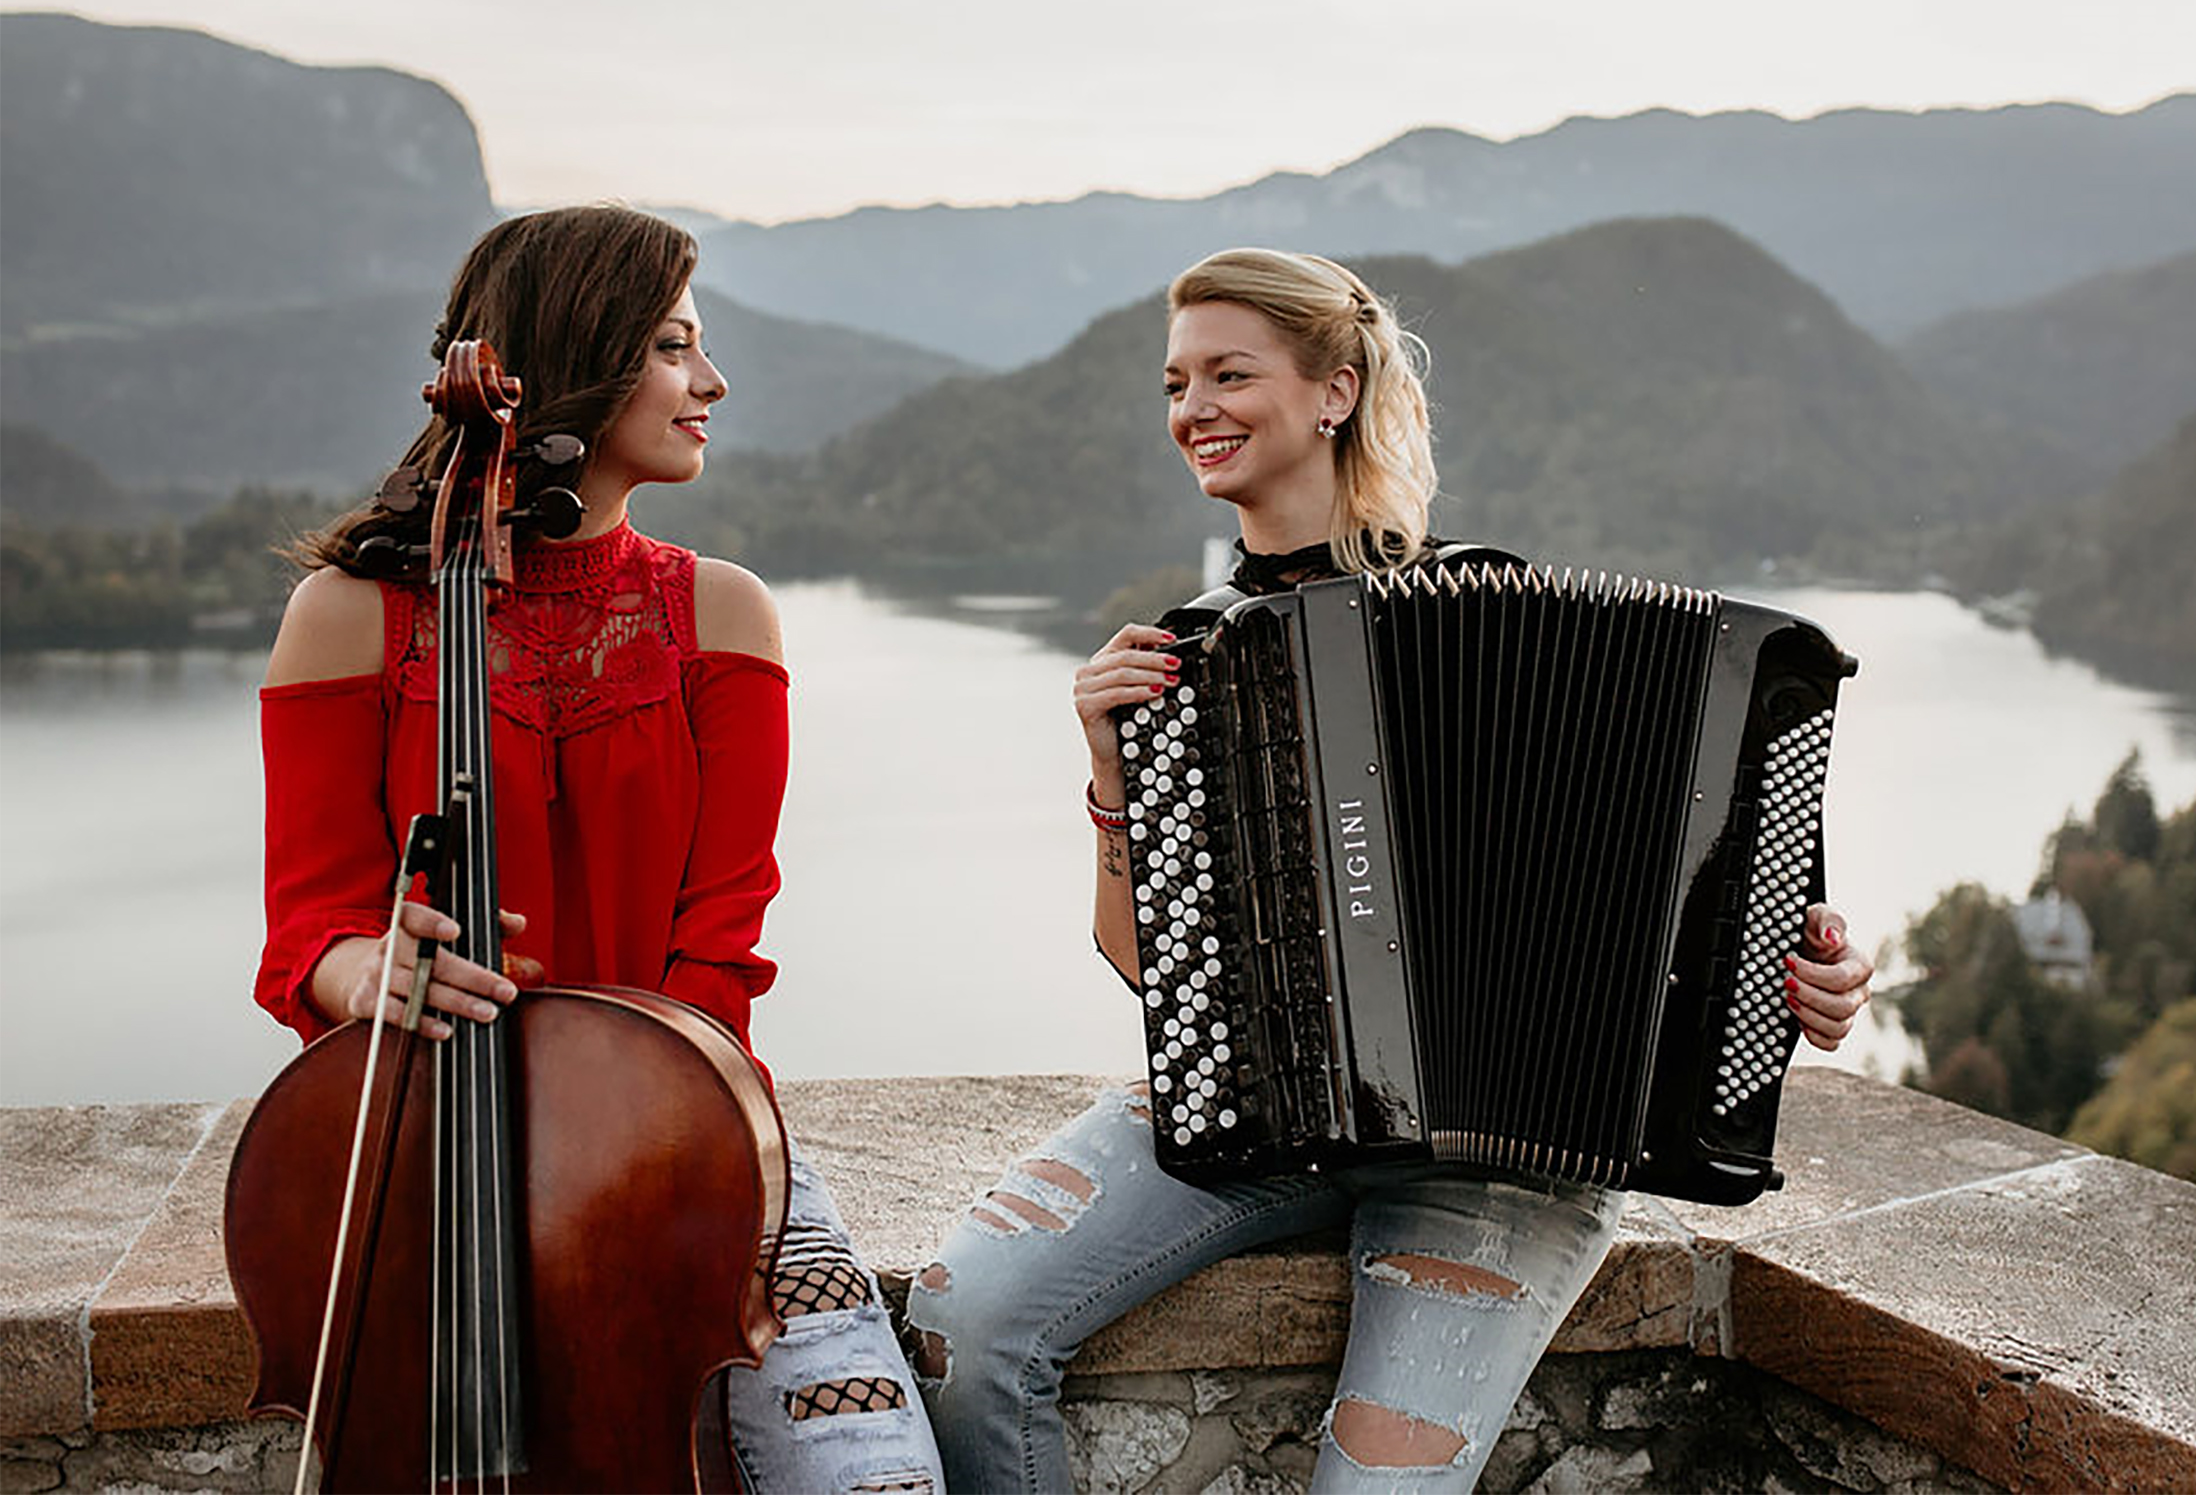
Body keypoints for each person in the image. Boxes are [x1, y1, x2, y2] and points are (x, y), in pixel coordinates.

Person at [903, 247, 1875, 1490]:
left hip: (1507, 1164)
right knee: (966, 1321)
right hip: (1265, 1113)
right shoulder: (1193, 660)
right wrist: (1110, 777)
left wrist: (1800, 971)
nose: (1192, 407)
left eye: (1229, 373)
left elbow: (1691, 878)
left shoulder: (1497, 606)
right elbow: (1153, 971)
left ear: (1335, 391)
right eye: (1176, 382)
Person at [254, 205, 944, 1494]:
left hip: (685, 1148)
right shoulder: (347, 617)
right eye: (675, 347)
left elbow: (718, 953)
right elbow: (308, 928)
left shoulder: (720, 615)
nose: (712, 381)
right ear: (582, 359)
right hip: (425, 1154)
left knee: (877, 1474)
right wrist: (373, 970)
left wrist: (627, 1165)